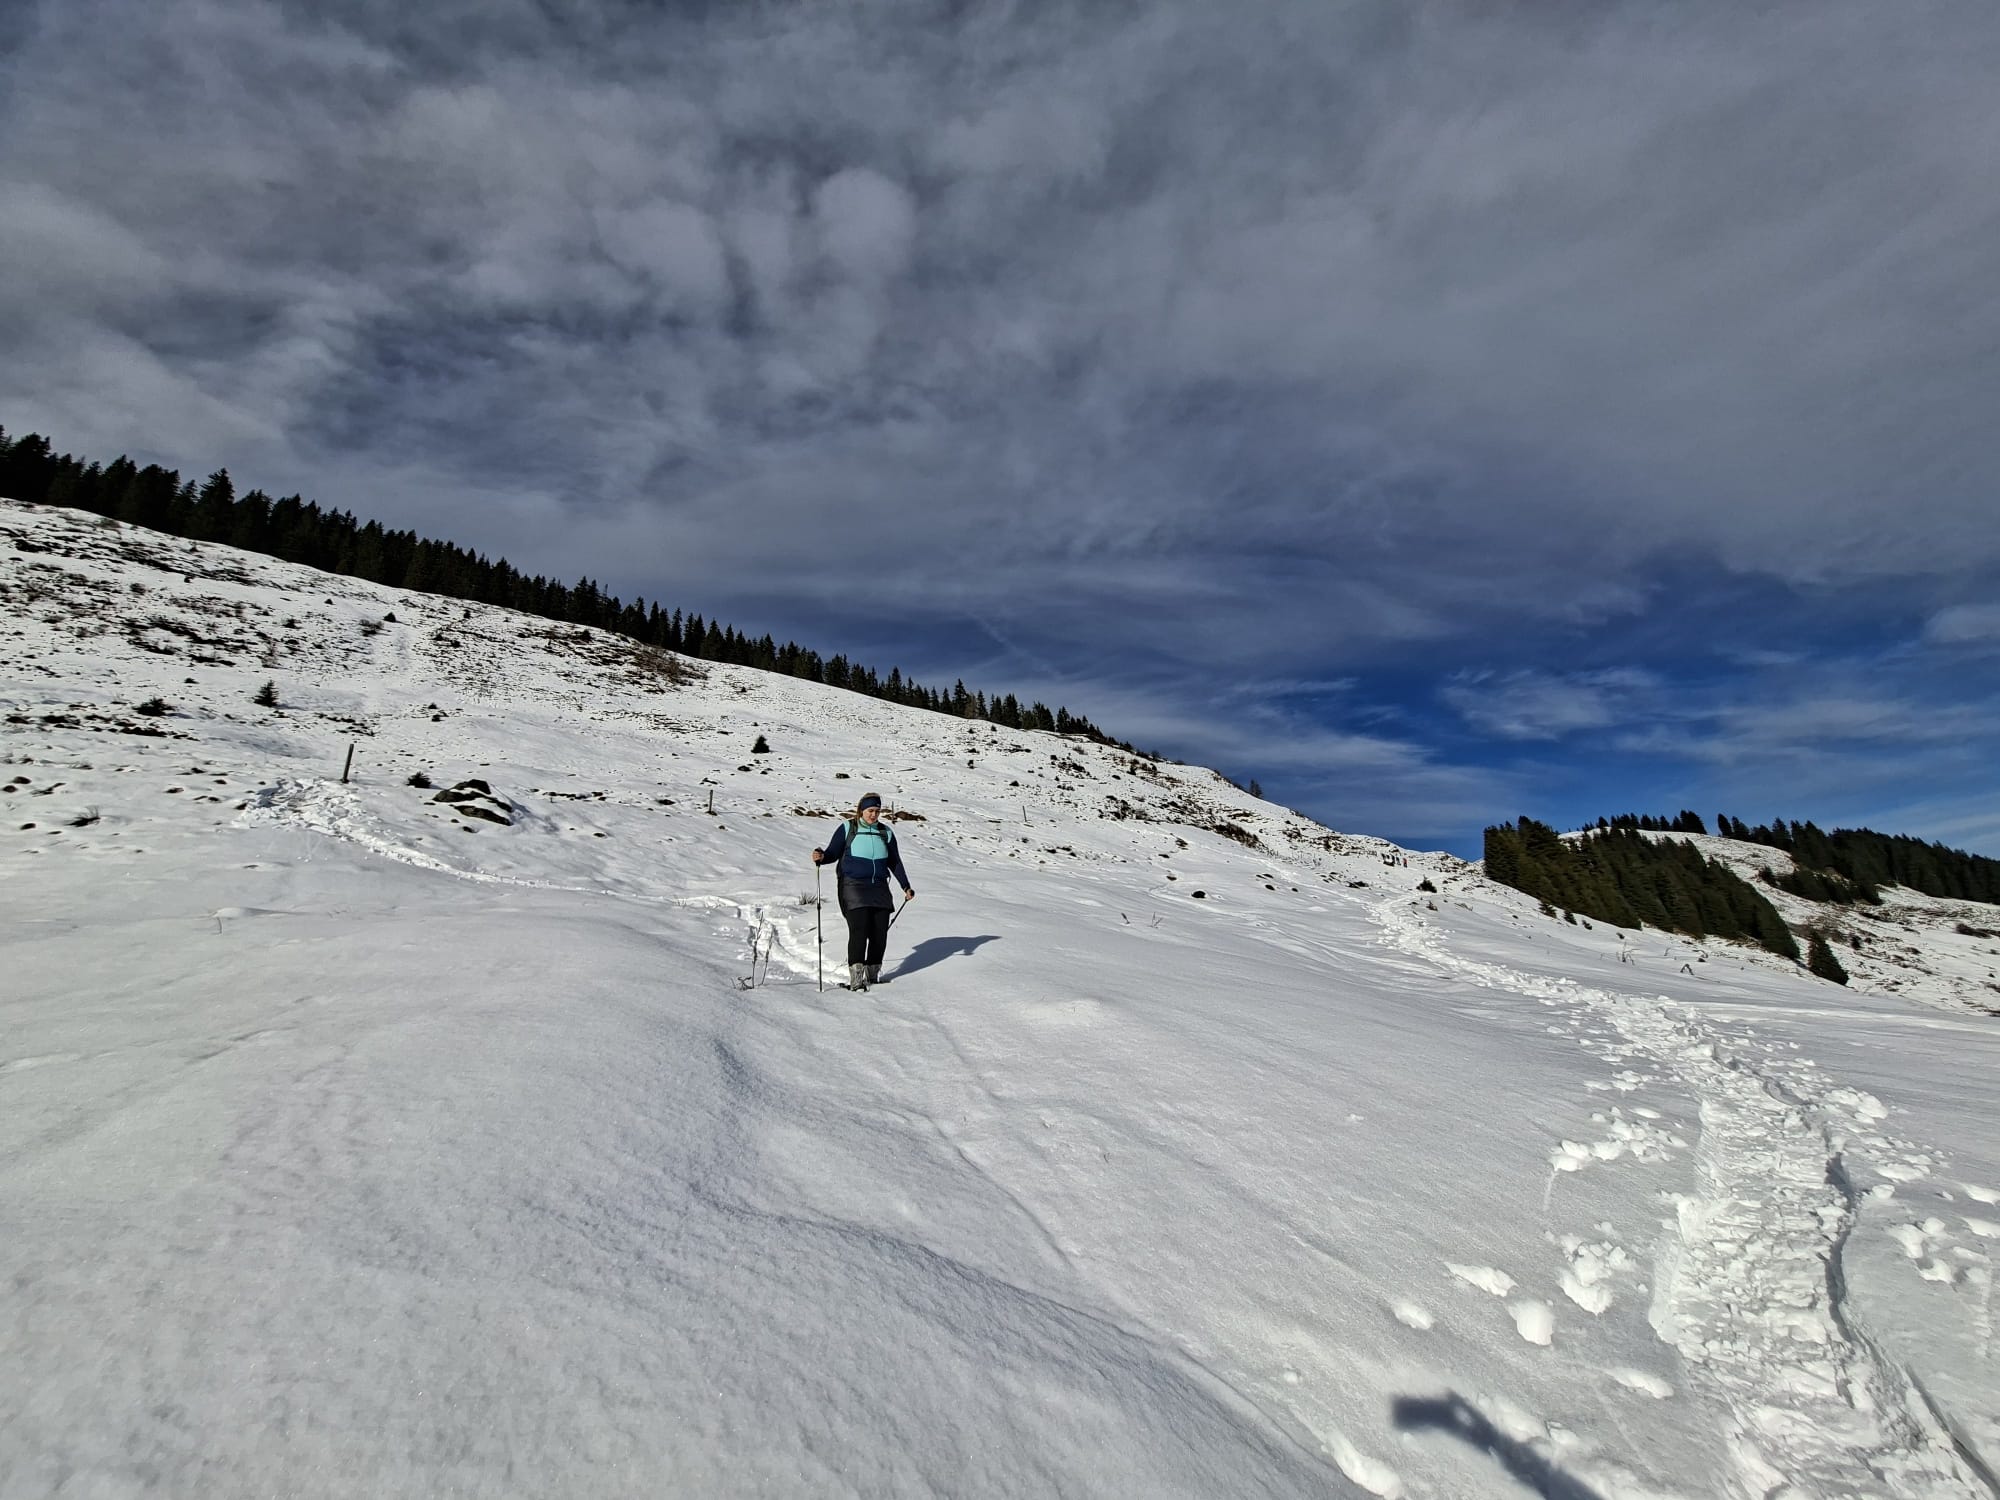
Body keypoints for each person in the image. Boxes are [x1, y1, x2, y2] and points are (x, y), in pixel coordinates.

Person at [812, 792, 914, 991]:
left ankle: (873, 975)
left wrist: (905, 885)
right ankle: (857, 978)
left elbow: (894, 862)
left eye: (877, 811)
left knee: (879, 933)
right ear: (861, 810)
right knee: (859, 929)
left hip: (879, 886)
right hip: (853, 885)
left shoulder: (885, 832)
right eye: (870, 811)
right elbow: (832, 853)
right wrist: (821, 856)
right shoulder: (848, 828)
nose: (874, 815)